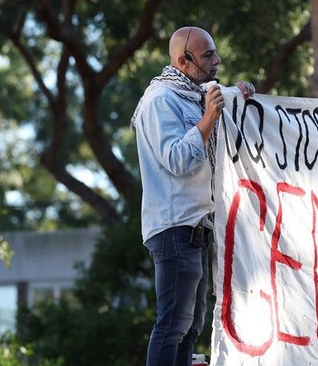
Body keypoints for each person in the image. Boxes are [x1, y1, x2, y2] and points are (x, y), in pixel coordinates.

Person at [130, 26, 254, 366]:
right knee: (172, 324)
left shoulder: (195, 94)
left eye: (214, 52)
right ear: (183, 61)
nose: (218, 60)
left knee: (192, 325)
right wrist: (208, 119)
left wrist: (237, 95)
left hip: (199, 228)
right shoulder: (160, 101)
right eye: (208, 55)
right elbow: (176, 159)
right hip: (174, 229)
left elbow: (216, 101)